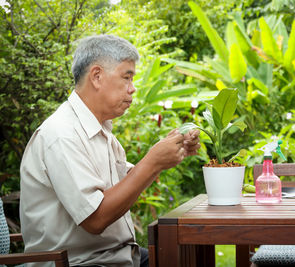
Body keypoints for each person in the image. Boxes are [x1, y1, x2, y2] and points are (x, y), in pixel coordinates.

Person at [19, 34, 200, 267]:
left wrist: (169, 152)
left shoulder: (101, 132)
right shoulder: (61, 134)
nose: (133, 89)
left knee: (183, 259)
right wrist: (154, 162)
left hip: (114, 257)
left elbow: (126, 184)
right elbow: (95, 219)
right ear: (96, 76)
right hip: (78, 263)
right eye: (127, 77)